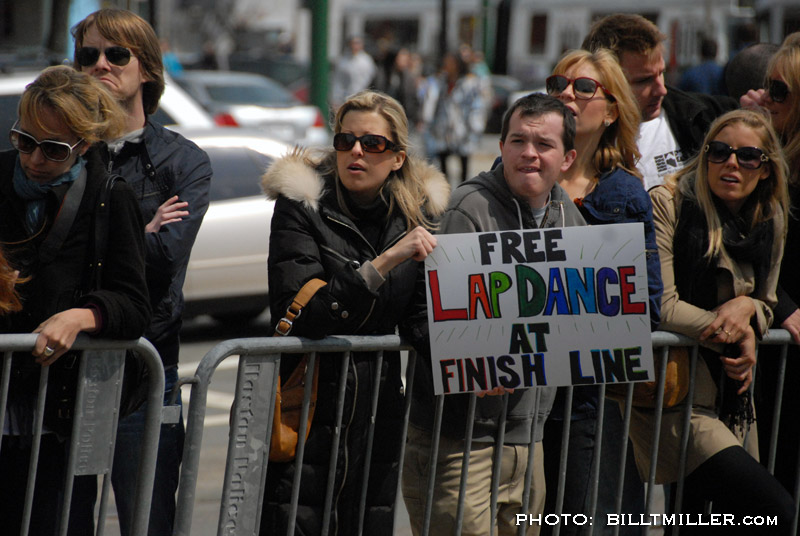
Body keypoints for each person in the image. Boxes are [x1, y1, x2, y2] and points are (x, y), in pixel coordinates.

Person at [258, 90, 449, 535]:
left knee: (368, 522)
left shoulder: (416, 215)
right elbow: (301, 315)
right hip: (305, 405)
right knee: (297, 520)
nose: (356, 152)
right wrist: (382, 265)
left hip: (378, 409)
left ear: (398, 157)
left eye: (373, 143)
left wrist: (476, 365)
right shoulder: (301, 204)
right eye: (345, 141)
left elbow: (421, 320)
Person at [402, 93, 585, 536]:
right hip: (458, 440)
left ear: (567, 158)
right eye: (518, 140)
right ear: (500, 146)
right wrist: (473, 363)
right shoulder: (470, 208)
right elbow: (422, 313)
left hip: (529, 439)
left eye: (544, 144)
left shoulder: (569, 215)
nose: (529, 154)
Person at [71, 8, 212, 535]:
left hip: (149, 371)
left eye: (116, 54)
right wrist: (139, 231)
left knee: (148, 522)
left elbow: (163, 262)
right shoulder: (60, 152)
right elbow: (46, 264)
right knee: (60, 520)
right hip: (64, 372)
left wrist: (115, 241)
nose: (102, 65)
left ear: (146, 67)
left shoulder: (182, 161)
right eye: (89, 55)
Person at [0, 65, 150, 535]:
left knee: (56, 521)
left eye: (54, 149)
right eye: (24, 141)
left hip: (56, 414)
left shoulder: (110, 196)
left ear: (84, 145)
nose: (33, 159)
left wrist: (83, 316)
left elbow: (133, 302)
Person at [634, 109, 794, 533]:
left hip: (735, 399)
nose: (732, 164)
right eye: (720, 151)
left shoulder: (771, 218)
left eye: (748, 156)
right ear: (704, 155)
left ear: (766, 170)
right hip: (678, 397)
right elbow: (663, 306)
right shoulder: (668, 202)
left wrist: (747, 311)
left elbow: (767, 301)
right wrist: (733, 333)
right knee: (772, 508)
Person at [543, 48, 662, 534]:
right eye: (558, 85)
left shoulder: (624, 194)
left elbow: (646, 306)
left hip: (582, 403)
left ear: (612, 109)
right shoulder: (518, 175)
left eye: (584, 87)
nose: (567, 95)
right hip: (509, 401)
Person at [740, 32, 800, 496]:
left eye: (781, 91)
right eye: (769, 87)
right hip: (778, 348)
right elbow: (738, 244)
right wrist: (782, 306)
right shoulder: (761, 158)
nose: (769, 98)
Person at [582, 14, 737, 190]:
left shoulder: (706, 117)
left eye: (661, 73)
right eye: (643, 80)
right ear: (604, 80)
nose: (661, 89)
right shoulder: (570, 136)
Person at [420, 51, 487, 184]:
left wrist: (474, 128)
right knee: (443, 166)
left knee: (463, 165)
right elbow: (432, 104)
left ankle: (462, 195)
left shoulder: (469, 83)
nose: (447, 66)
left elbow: (476, 106)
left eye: (450, 63)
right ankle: (446, 196)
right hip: (443, 131)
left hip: (463, 132)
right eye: (446, 63)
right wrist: (429, 124)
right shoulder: (441, 82)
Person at [331, 35, 377, 108]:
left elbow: (371, 80)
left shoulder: (367, 61)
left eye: (358, 43)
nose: (355, 46)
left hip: (363, 97)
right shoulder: (343, 60)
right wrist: (336, 99)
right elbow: (338, 81)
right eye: (353, 43)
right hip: (346, 98)